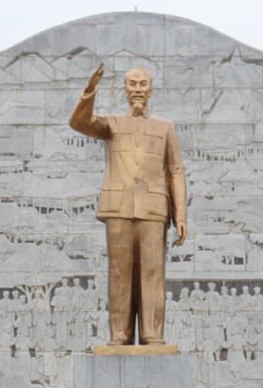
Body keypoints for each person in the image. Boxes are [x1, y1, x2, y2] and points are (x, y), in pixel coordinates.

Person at [69, 63, 187, 346]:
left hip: (154, 209)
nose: (137, 90)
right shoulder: (112, 124)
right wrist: (90, 89)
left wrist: (180, 215)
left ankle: (152, 334)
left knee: (152, 272)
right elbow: (79, 123)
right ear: (124, 90)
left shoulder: (165, 127)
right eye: (132, 84)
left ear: (151, 90)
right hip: (118, 207)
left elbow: (176, 171)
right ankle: (120, 335)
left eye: (143, 84)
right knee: (119, 272)